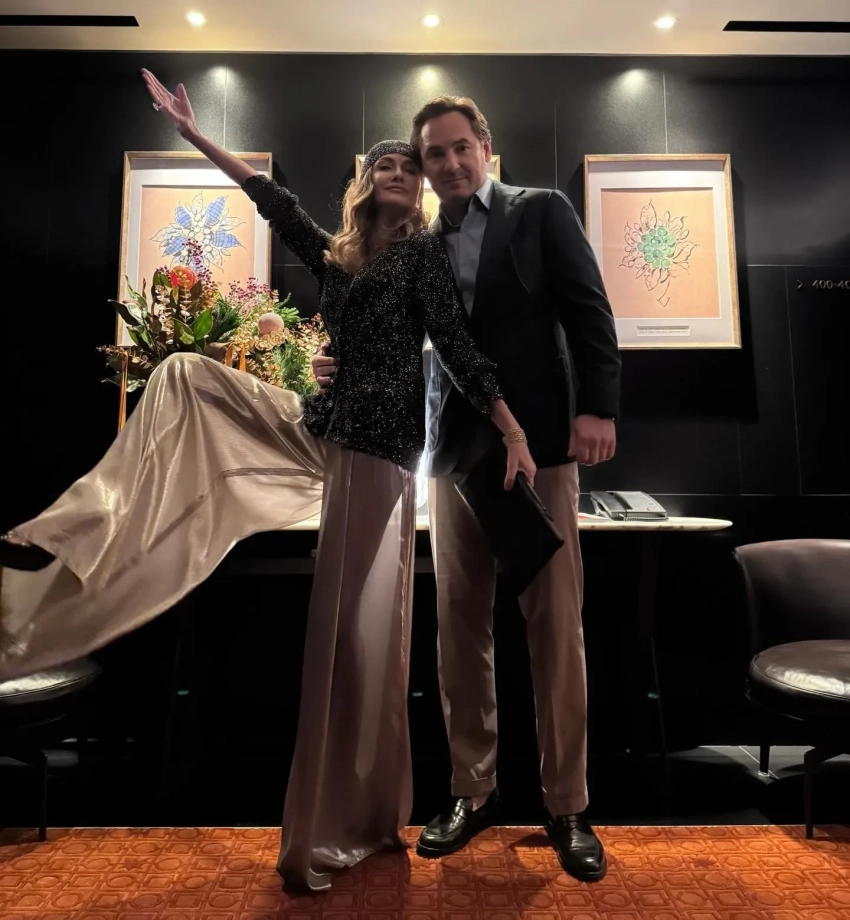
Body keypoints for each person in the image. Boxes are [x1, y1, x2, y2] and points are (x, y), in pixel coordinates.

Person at [0, 73, 535, 892]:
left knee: (352, 636)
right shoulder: (341, 259)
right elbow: (268, 197)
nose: (399, 171)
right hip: (326, 427)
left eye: (410, 165)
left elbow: (461, 355)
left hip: (380, 452)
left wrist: (512, 428)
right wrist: (191, 133)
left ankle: (347, 823)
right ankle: (86, 526)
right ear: (367, 184)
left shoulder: (425, 257)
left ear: (422, 188)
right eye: (387, 164)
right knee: (184, 375)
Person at [313, 95, 621, 882]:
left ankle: (567, 804)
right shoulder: (412, 240)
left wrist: (597, 408)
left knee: (555, 627)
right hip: (451, 453)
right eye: (434, 155)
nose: (450, 164)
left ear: (485, 145)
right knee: (457, 626)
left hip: (538, 450)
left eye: (460, 148)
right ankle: (471, 791)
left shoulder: (540, 211)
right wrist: (333, 362)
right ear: (422, 169)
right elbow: (379, 330)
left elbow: (589, 311)